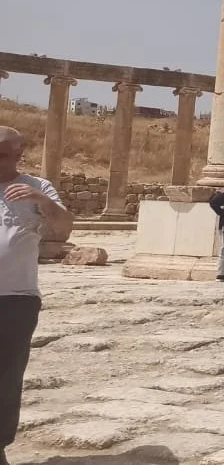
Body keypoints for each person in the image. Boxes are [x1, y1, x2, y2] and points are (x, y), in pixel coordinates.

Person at [0, 126, 72, 465]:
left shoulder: (38, 188)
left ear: (18, 155)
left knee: (7, 376)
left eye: (1, 153)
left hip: (16, 298)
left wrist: (42, 203)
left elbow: (63, 229)